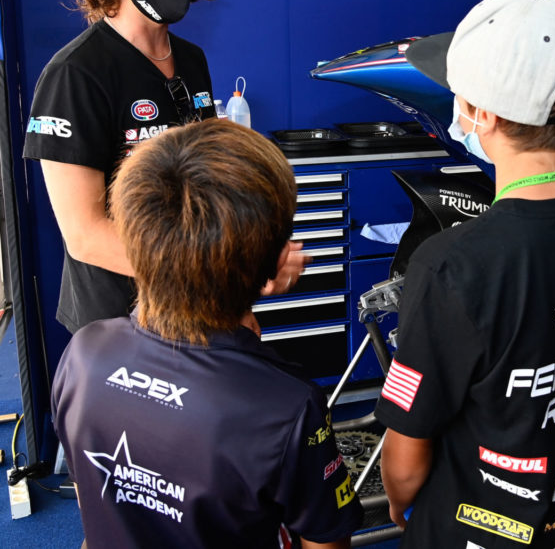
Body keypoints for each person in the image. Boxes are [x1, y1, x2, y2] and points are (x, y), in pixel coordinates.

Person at [373, 0, 555, 547]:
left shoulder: (452, 262)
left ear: (485, 115)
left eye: (459, 96)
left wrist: (405, 509)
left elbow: (404, 463)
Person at [51, 119, 364, 548]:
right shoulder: (287, 406)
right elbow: (325, 542)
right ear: (271, 267)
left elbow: (94, 498)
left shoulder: (84, 353)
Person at [22, 0, 302, 335]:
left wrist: (251, 255)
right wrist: (220, 272)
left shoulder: (191, 59)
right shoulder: (76, 74)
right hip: (120, 324)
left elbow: (208, 184)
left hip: (198, 311)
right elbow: (85, 235)